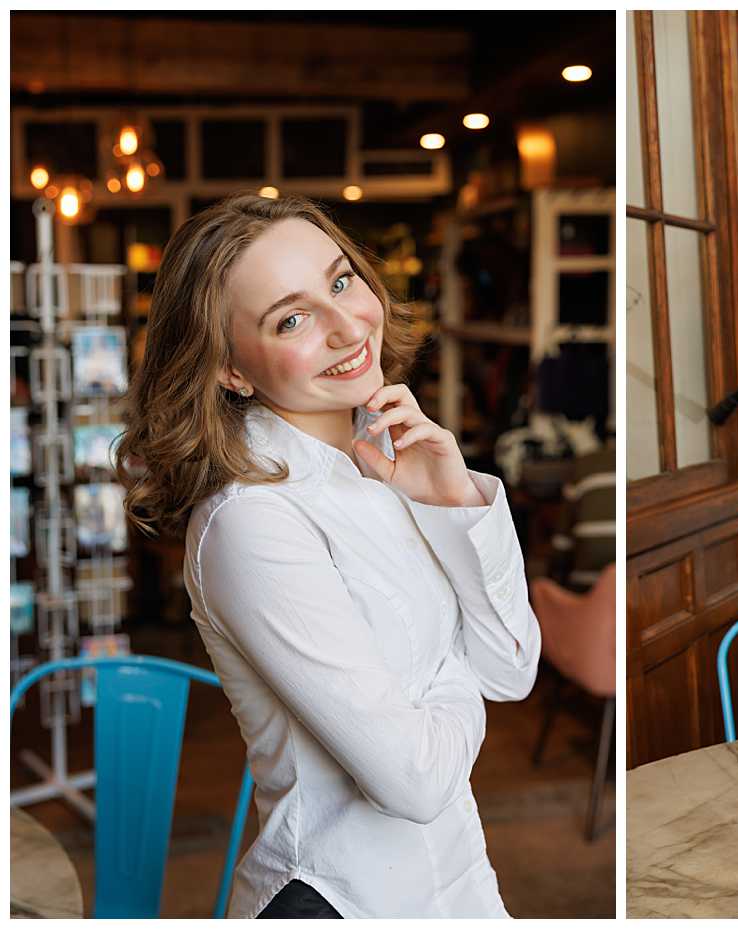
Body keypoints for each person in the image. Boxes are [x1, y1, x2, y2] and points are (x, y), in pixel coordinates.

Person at [119, 194, 541, 918]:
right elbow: (413, 781)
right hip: (340, 898)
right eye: (292, 318)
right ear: (230, 370)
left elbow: (511, 665)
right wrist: (452, 667)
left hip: (453, 883)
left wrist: (452, 496)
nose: (349, 326)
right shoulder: (251, 524)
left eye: (341, 281)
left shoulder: (383, 456)